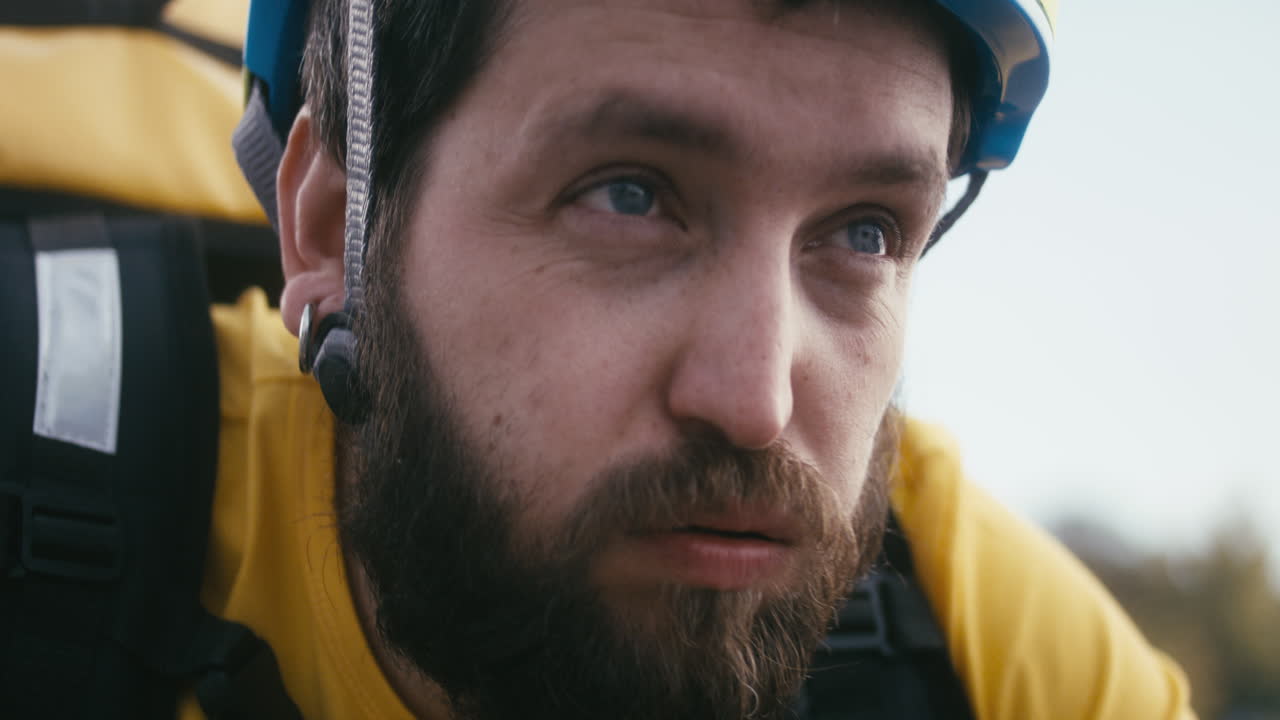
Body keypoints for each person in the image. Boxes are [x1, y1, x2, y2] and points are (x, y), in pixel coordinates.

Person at [0, 0, 1196, 718]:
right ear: (329, 221)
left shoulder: (986, 656)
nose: (751, 400)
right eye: (629, 196)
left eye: (863, 231)